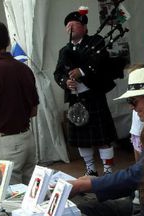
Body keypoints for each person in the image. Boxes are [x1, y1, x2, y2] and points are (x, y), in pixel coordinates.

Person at [70, 67, 144, 216]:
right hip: (139, 201)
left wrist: (89, 185)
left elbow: (137, 175)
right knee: (80, 213)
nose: (132, 108)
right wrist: (95, 183)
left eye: (134, 102)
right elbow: (137, 173)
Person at [54, 10, 117, 176]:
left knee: (103, 138)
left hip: (94, 96)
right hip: (76, 99)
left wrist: (81, 72)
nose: (70, 27)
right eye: (68, 25)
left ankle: (108, 170)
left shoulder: (96, 42)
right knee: (83, 140)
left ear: (84, 28)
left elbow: (100, 60)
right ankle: (90, 169)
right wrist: (65, 82)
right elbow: (58, 73)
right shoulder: (64, 50)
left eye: (74, 24)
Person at [0, 21, 39, 184]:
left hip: (5, 144)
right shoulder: (24, 68)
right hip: (27, 138)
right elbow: (33, 111)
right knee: (29, 197)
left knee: (5, 198)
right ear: (8, 42)